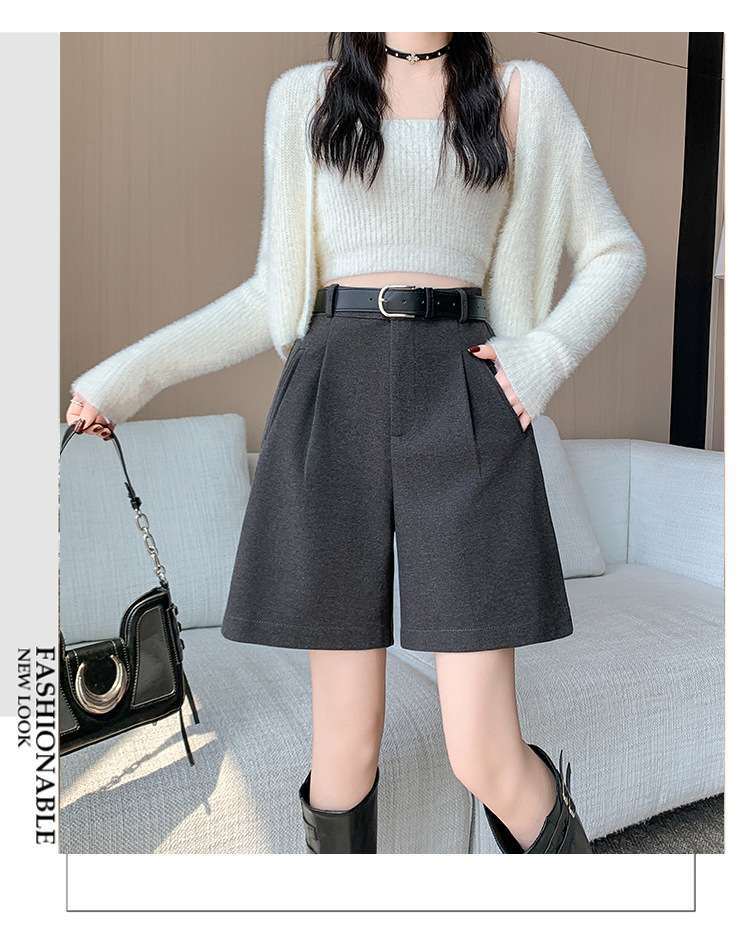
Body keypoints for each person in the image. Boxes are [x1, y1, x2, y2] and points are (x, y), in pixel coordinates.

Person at [66, 32, 647, 855]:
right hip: (333, 393)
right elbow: (272, 294)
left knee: (484, 751)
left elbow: (618, 252)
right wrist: (128, 377)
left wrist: (543, 356)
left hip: (464, 397)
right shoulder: (304, 97)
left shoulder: (523, 96)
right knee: (344, 747)